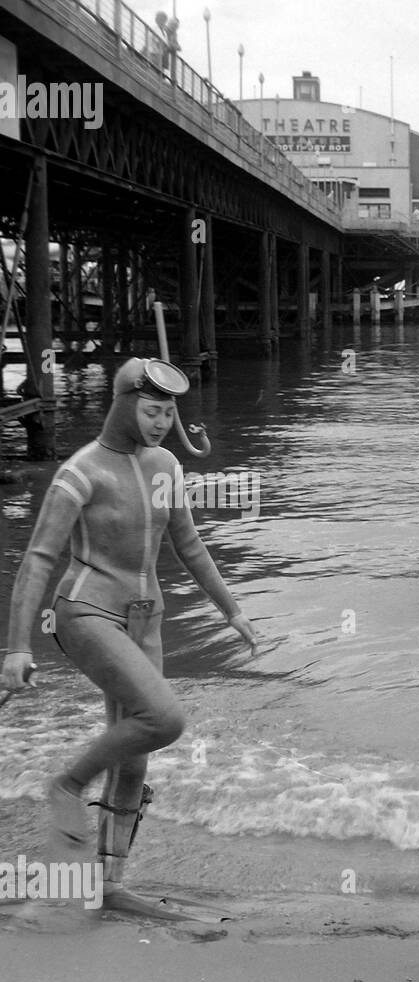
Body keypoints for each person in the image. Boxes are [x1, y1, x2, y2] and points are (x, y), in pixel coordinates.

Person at [1, 358, 256, 913]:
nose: (162, 422)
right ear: (122, 406)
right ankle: (68, 785)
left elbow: (188, 545)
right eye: (150, 410)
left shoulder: (167, 464)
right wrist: (18, 647)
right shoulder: (81, 471)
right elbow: (38, 560)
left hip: (147, 618)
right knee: (163, 719)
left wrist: (231, 611)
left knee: (136, 754)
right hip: (87, 611)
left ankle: (108, 884)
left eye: (168, 412)